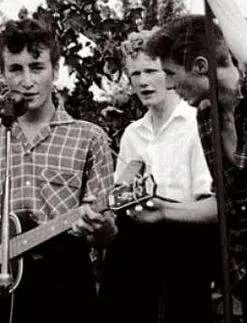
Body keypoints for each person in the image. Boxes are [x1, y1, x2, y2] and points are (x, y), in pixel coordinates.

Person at [0, 18, 117, 323]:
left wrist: (100, 227)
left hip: (66, 287)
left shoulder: (89, 137)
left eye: (37, 67)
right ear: (3, 74)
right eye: (15, 69)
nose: (27, 80)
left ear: (55, 69)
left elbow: (105, 233)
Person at [136, 0, 247, 321]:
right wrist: (163, 211)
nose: (166, 84)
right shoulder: (205, 117)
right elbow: (226, 203)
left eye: (170, 73)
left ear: (200, 65)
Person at [98, 28, 216, 323]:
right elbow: (119, 198)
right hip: (135, 251)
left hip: (186, 247)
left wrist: (163, 212)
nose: (143, 82)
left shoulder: (195, 122)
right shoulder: (132, 134)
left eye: (151, 71)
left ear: (168, 72)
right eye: (135, 74)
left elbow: (212, 207)